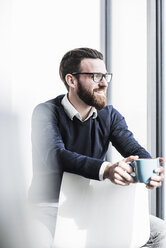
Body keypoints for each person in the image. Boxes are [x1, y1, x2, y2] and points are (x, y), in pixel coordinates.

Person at [28, 47, 165, 247]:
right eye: (95, 76)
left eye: (105, 76)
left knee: (160, 233)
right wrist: (107, 169)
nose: (103, 83)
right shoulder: (46, 112)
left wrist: (151, 169)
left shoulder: (109, 115)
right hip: (50, 208)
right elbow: (55, 156)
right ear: (71, 80)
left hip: (94, 206)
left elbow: (134, 149)